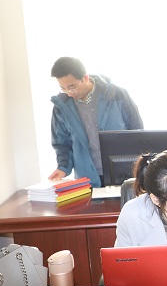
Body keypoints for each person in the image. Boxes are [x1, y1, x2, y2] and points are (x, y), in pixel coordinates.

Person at [49, 56, 143, 188]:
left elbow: (137, 131)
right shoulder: (61, 107)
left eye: (72, 87)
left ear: (85, 78)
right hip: (87, 178)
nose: (69, 93)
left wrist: (139, 167)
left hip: (123, 174)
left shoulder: (116, 94)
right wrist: (63, 167)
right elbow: (62, 144)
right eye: (63, 88)